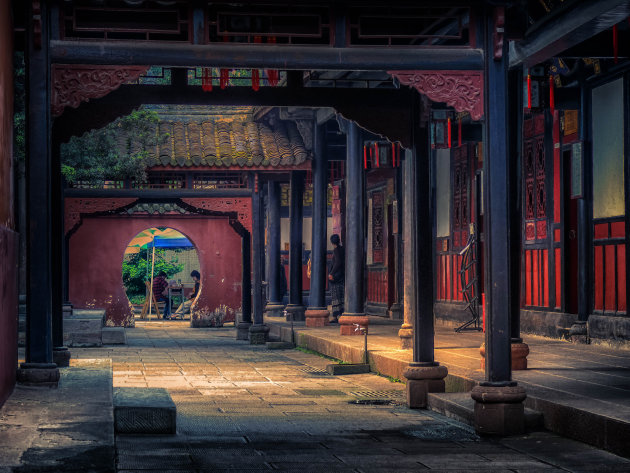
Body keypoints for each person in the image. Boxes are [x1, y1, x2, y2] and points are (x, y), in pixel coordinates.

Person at [328, 234, 344, 323]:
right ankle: (340, 314)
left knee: (335, 296)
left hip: (336, 277)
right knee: (341, 296)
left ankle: (335, 316)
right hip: (341, 276)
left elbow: (338, 262)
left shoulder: (336, 250)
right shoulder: (342, 249)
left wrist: (331, 273)